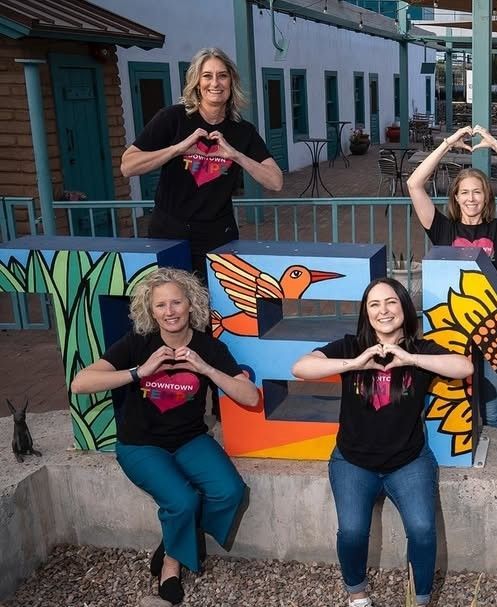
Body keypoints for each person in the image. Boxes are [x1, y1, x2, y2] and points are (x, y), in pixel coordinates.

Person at [70, 267, 260, 605]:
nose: (169, 312)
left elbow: (250, 397)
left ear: (191, 305)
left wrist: (206, 369)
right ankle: (170, 567)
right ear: (150, 310)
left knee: (230, 492)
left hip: (189, 440)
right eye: (160, 305)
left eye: (176, 302)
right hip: (140, 445)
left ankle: (177, 537)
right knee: (182, 501)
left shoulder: (207, 347)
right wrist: (138, 372)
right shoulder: (137, 343)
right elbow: (80, 383)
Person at [291, 278, 473, 607]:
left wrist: (411, 359)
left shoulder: (419, 348)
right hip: (352, 461)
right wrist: (355, 363)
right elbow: (301, 366)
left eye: (390, 302)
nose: (383, 310)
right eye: (374, 305)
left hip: (408, 460)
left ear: (404, 306)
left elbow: (463, 367)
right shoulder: (351, 346)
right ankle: (357, 594)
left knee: (421, 529)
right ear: (366, 313)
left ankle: (419, 599)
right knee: (352, 532)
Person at [406, 124, 497, 428]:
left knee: (491, 410)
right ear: (455, 197)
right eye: (464, 192)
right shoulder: (442, 229)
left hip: (495, 330)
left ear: (486, 196)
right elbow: (415, 184)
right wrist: (448, 143)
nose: (470, 198)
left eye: (477, 191)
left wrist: (494, 144)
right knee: (454, 407)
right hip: (452, 328)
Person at [120, 47, 284, 280]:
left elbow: (276, 181)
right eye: (207, 76)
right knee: (173, 306)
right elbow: (128, 166)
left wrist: (236, 155)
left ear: (231, 82)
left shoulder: (242, 130)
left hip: (217, 234)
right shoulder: (173, 118)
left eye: (222, 75)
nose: (215, 83)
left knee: (216, 310)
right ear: (197, 82)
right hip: (169, 233)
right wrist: (178, 149)